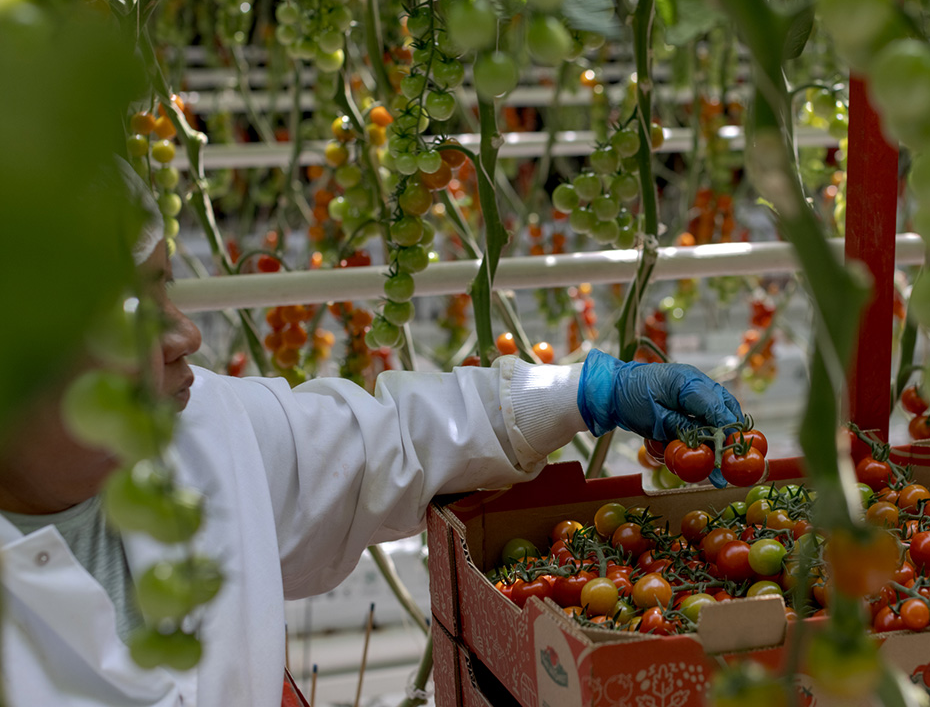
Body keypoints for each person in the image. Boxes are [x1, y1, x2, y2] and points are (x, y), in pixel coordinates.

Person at [0, 166, 743, 705]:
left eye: (167, 286)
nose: (185, 333)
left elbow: (387, 443)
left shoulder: (202, 429)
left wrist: (589, 391)